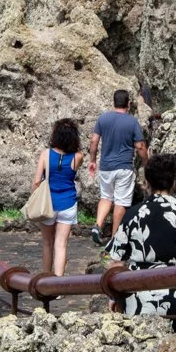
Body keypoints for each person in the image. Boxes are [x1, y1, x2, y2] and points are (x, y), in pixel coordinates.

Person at [106, 154, 176, 330]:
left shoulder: (132, 215)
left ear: (147, 182)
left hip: (139, 300)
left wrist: (113, 296)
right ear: (174, 182)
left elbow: (116, 261)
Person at [88, 90, 148, 249]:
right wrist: (146, 162)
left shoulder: (103, 118)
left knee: (106, 197)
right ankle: (115, 238)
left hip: (106, 167)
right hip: (123, 168)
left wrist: (92, 161)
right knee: (121, 202)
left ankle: (98, 226)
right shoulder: (132, 122)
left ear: (114, 102)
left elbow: (94, 141)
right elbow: (140, 146)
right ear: (128, 104)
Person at [32, 118, 83, 276]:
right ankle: (58, 285)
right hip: (68, 203)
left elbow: (36, 181)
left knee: (47, 243)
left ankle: (46, 281)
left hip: (48, 203)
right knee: (61, 245)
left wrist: (33, 196)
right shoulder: (78, 157)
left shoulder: (45, 154)